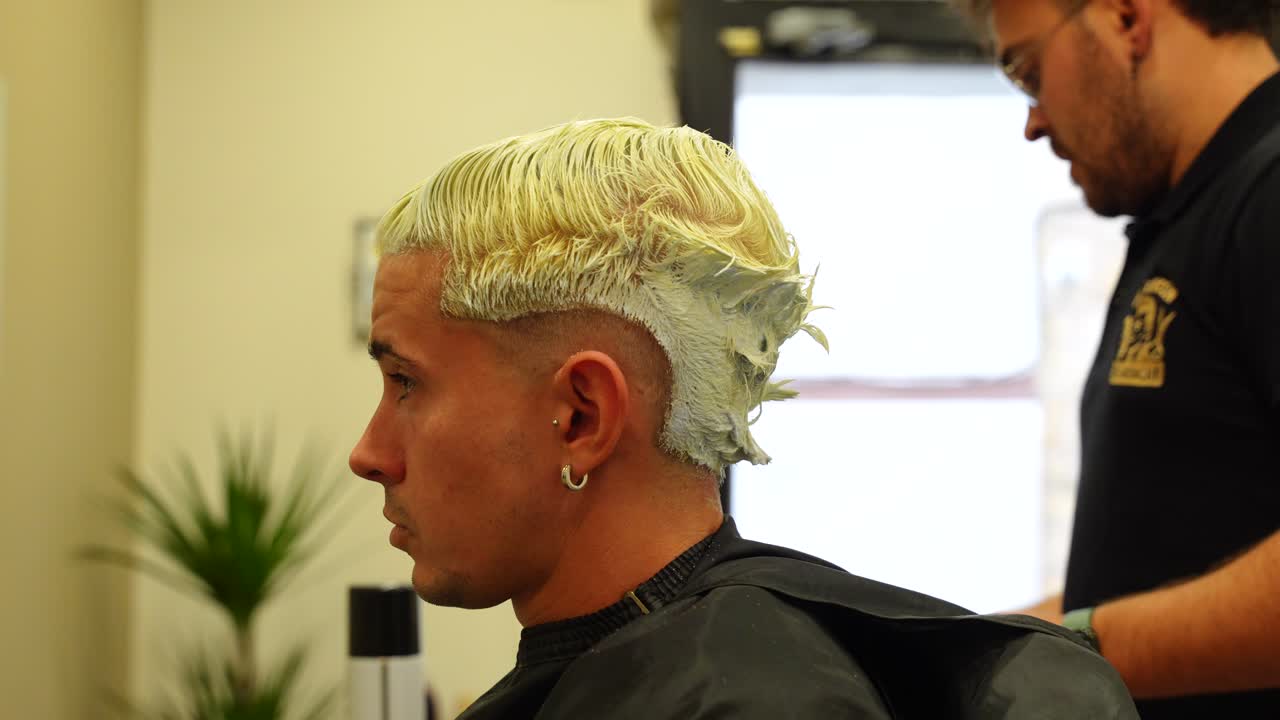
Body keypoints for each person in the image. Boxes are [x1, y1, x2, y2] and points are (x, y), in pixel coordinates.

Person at [349, 118, 1136, 718]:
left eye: (406, 383)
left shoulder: (741, 694)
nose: (369, 453)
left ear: (581, 416)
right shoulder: (722, 663)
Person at [951, 0, 1280, 716]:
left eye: (1030, 71)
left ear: (1128, 19)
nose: (1032, 122)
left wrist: (1065, 650)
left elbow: (1099, 628)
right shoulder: (1185, 219)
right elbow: (1150, 573)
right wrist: (957, 652)